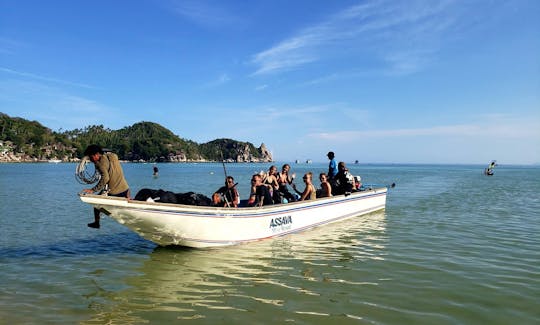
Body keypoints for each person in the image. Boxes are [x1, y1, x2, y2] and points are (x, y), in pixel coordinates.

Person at [82, 144, 130, 229]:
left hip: (114, 191)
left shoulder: (100, 164)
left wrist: (93, 190)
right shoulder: (113, 156)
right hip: (126, 189)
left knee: (96, 206)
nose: (91, 160)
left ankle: (97, 223)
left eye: (91, 157)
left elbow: (105, 178)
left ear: (96, 155)